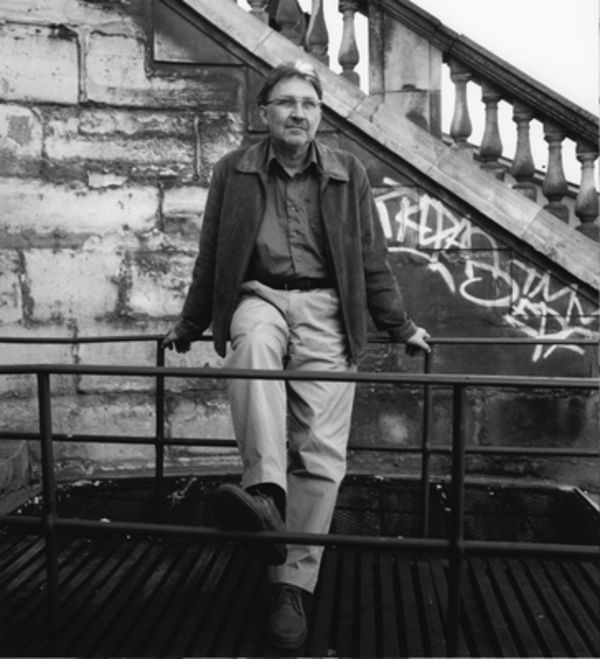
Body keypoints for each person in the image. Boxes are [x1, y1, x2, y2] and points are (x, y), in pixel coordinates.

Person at [163, 61, 430, 651]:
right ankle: (265, 492)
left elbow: (371, 258)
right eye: (286, 102)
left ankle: (291, 584)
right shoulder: (233, 171)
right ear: (264, 112)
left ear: (319, 115)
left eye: (308, 104)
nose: (298, 113)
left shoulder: (347, 173)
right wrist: (189, 324)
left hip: (328, 308)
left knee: (321, 451)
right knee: (253, 343)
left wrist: (401, 326)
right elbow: (212, 255)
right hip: (259, 296)